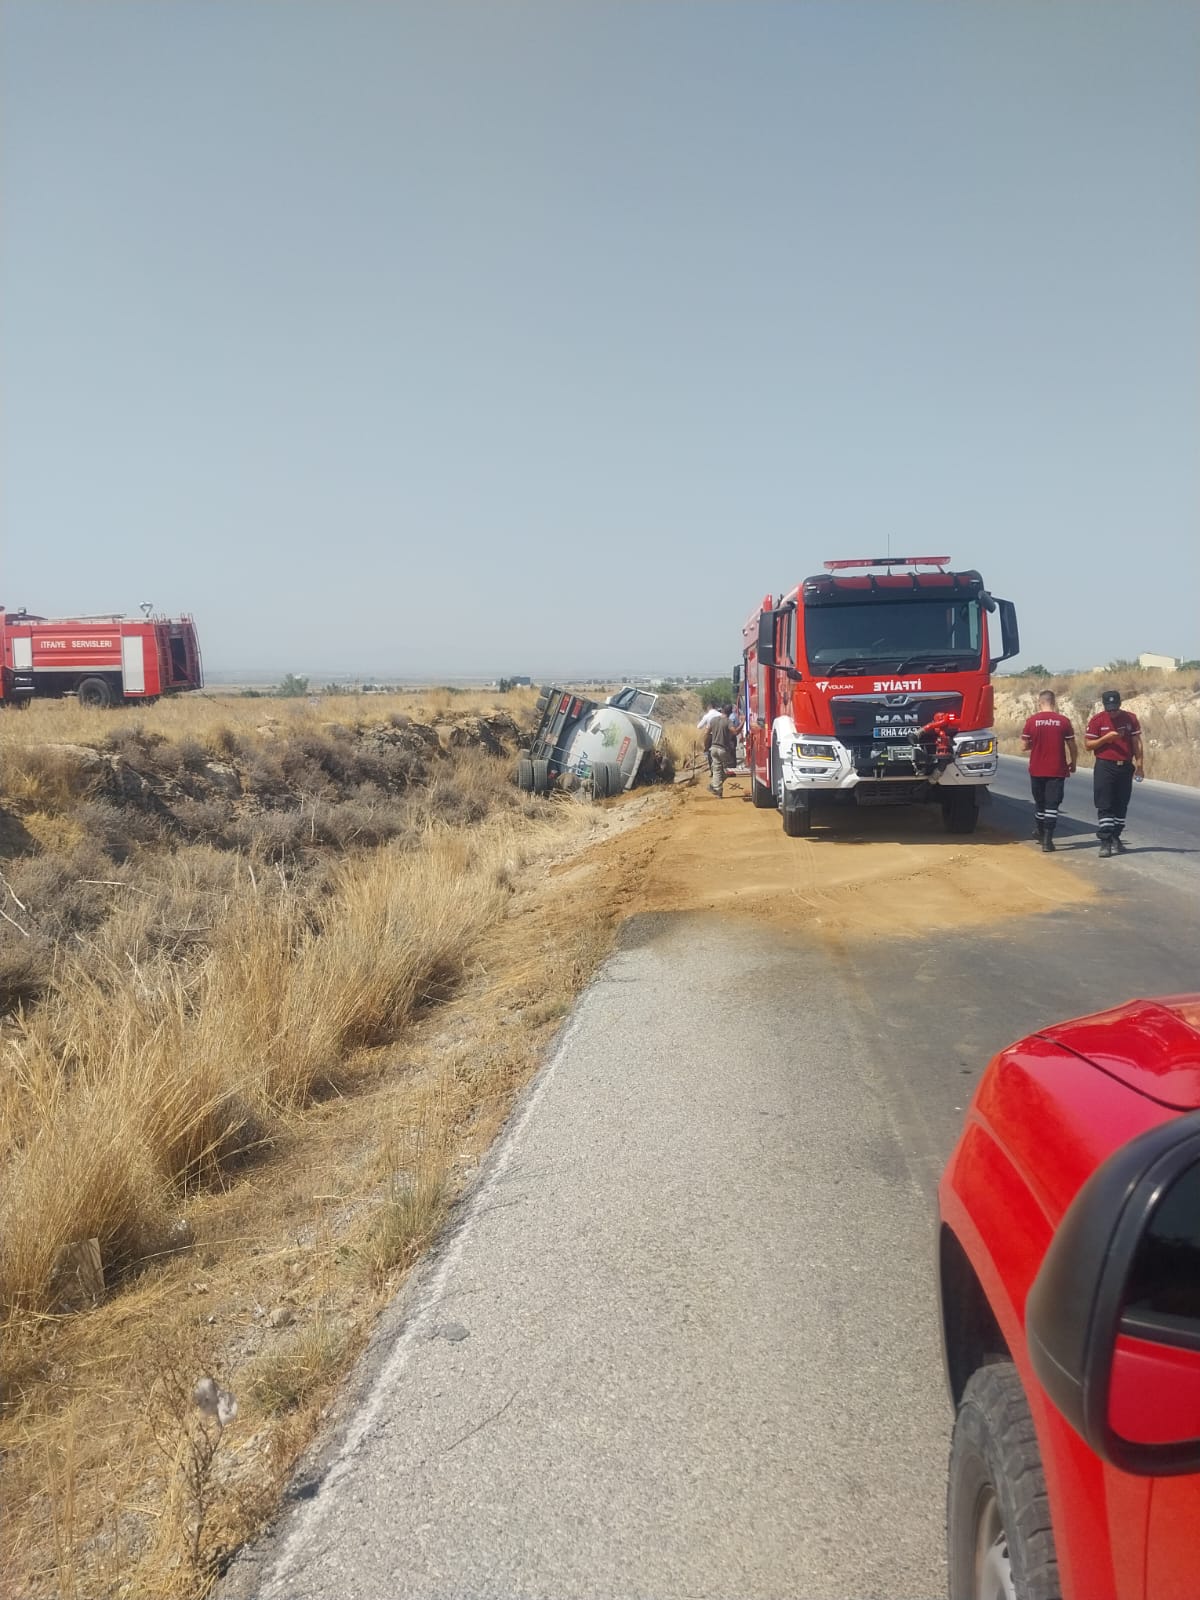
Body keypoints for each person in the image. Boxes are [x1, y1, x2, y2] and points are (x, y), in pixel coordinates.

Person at [1085, 688, 1144, 857]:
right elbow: (1088, 745)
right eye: (1109, 709)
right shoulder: (1097, 720)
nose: (1113, 712)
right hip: (1105, 766)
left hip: (1125, 766)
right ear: (1104, 706)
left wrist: (1140, 765)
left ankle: (1115, 836)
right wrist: (1106, 739)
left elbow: (1136, 743)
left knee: (1121, 803)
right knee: (1105, 804)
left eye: (1115, 708)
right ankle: (1105, 842)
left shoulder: (1130, 718)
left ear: (1120, 704)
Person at [1020, 690, 1077, 851]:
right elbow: (1072, 746)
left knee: (1040, 803)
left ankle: (1040, 830)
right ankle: (1047, 840)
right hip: (1057, 769)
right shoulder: (1064, 721)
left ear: (1040, 702)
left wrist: (1036, 744)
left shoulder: (1032, 721)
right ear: (1054, 702)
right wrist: (1073, 762)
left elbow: (1023, 746)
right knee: (1052, 805)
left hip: (1037, 768)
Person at [703, 704, 735, 797]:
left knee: (717, 769)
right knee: (729, 768)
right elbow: (734, 731)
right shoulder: (728, 721)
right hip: (723, 749)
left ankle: (717, 789)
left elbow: (706, 733)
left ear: (722, 710)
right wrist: (742, 723)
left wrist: (706, 747)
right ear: (730, 712)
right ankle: (715, 785)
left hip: (713, 748)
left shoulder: (713, 720)